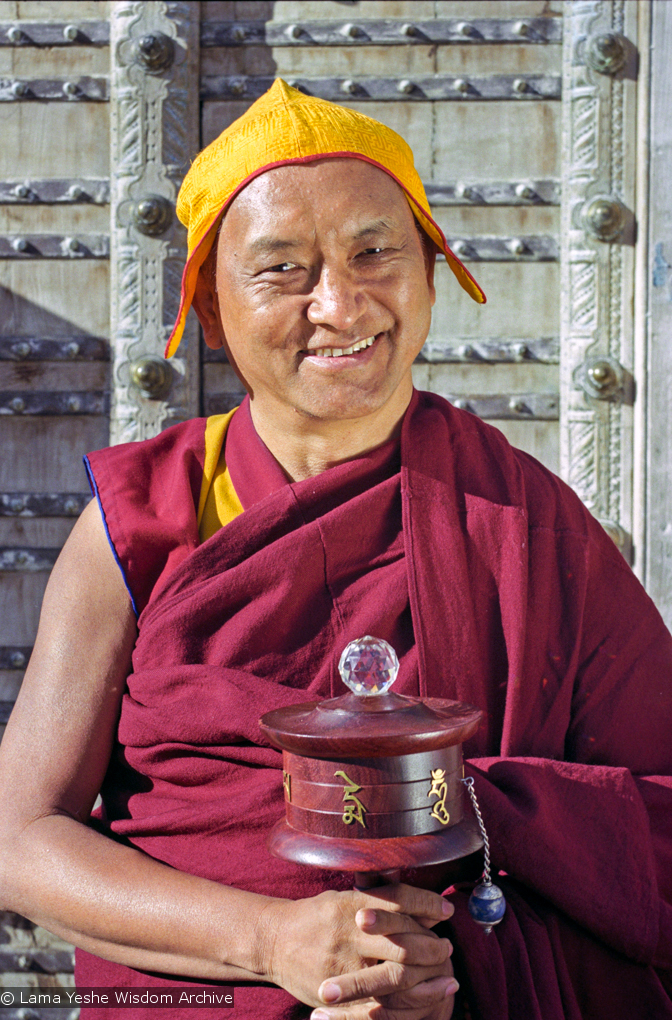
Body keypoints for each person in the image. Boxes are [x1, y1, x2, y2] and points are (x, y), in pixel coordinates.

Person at [0, 79, 671, 1020]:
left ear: (433, 274)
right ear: (209, 300)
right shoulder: (147, 517)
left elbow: (657, 819)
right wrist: (274, 941)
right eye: (282, 269)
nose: (340, 305)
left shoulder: (525, 522)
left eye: (375, 253)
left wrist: (476, 840)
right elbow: (20, 840)